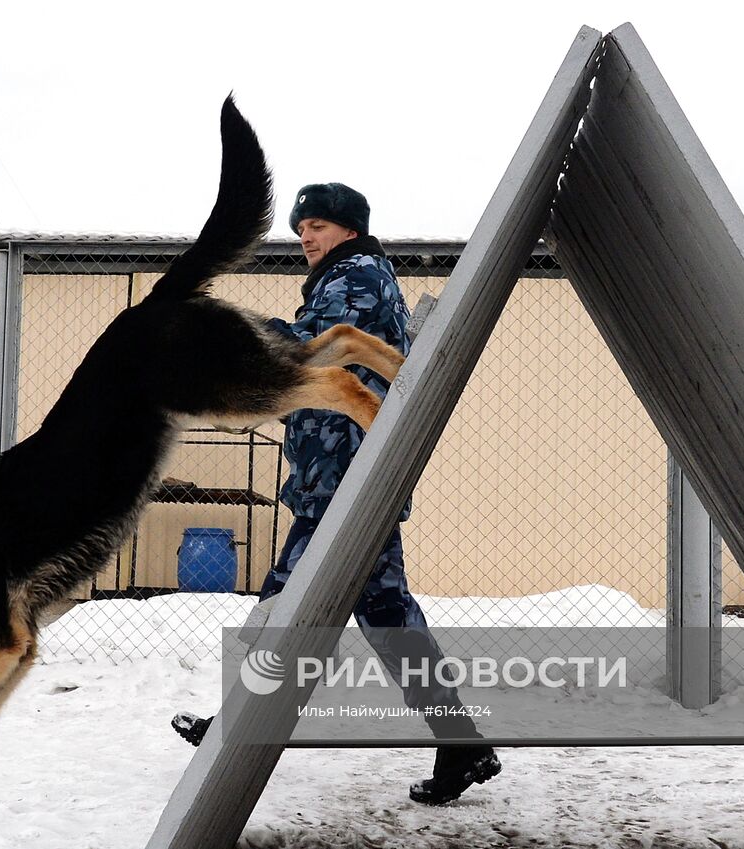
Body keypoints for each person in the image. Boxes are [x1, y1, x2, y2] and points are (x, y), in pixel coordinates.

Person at [171, 183, 501, 805]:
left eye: (317, 226)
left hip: (344, 483)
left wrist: (234, 328)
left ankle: (236, 728)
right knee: (386, 617)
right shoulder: (350, 277)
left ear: (349, 229)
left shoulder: (356, 277)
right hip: (346, 479)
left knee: (285, 605)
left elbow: (307, 354)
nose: (306, 238)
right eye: (301, 229)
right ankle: (460, 740)